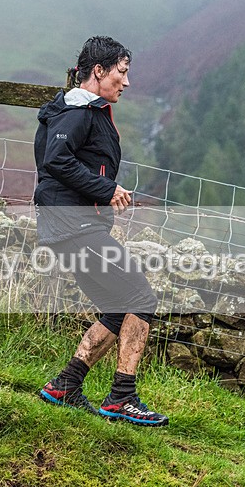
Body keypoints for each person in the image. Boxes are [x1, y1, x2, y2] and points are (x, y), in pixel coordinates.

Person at [33, 36, 168, 427]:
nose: (125, 83)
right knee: (140, 297)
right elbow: (56, 160)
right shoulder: (77, 112)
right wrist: (106, 189)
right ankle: (122, 398)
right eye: (122, 73)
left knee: (116, 305)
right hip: (73, 225)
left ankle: (65, 385)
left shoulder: (82, 109)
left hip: (69, 225)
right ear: (99, 71)